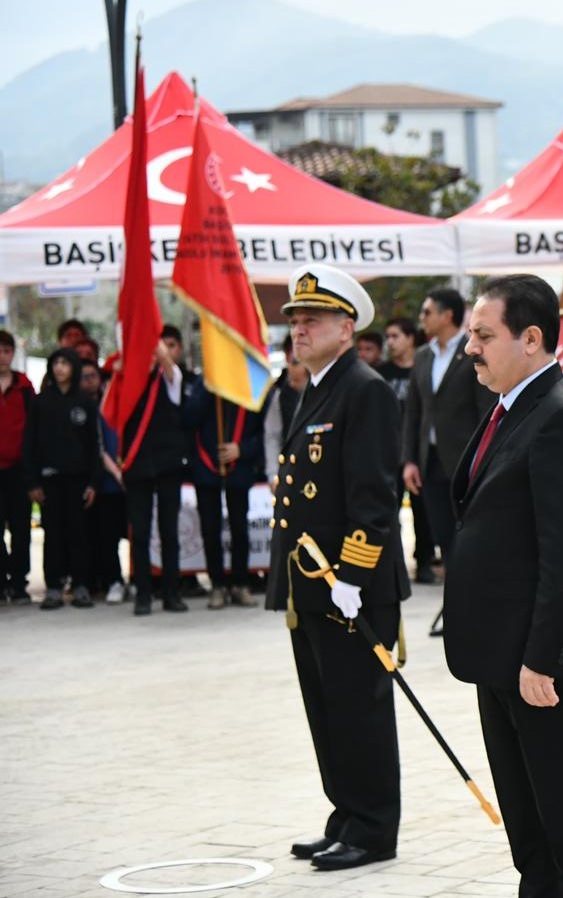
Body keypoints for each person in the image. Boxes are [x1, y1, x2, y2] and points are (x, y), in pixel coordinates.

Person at [444, 274, 563, 896]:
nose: (471, 349)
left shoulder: (562, 416)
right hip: (501, 656)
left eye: (484, 336)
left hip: (541, 664)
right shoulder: (512, 407)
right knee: (527, 825)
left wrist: (540, 658)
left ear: (532, 338)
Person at [268, 264, 407, 871]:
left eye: (312, 319)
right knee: (327, 707)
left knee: (359, 709)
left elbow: (373, 496)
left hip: (349, 585)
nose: (298, 329)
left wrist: (352, 577)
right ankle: (346, 815)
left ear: (346, 328)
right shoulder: (316, 387)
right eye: (295, 320)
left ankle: (374, 829)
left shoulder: (365, 388)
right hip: (313, 586)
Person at [404, 288, 496, 634]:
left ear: (447, 315)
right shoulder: (424, 356)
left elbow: (484, 409)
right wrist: (409, 459)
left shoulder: (472, 351)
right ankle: (455, 604)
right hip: (429, 464)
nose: (422, 319)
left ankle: (474, 605)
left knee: (469, 536)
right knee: (445, 537)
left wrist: (482, 461)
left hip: (464, 462)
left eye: (428, 312)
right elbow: (413, 411)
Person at [25, 349, 101, 609]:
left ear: (74, 368)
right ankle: (54, 587)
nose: (60, 368)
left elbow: (94, 445)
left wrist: (93, 482)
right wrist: (33, 482)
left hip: (78, 480)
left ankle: (81, 585)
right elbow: (30, 445)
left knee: (79, 533)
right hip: (50, 480)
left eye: (65, 363)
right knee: (53, 534)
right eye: (55, 363)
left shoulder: (85, 402)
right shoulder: (40, 402)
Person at [122, 340, 191, 616]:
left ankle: (171, 592)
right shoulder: (128, 382)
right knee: (139, 533)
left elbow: (171, 369)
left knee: (169, 531)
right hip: (137, 466)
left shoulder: (170, 380)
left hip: (167, 465)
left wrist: (156, 346)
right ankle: (143, 594)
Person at [186, 382, 265, 609]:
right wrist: (208, 389)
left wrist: (242, 449)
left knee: (240, 529)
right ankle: (217, 585)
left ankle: (240, 583)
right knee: (210, 531)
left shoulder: (248, 386)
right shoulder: (205, 385)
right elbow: (188, 418)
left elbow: (263, 432)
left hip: (239, 469)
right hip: (206, 468)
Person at [380, 317, 436, 585]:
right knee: (389, 511)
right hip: (388, 450)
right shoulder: (383, 373)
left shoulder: (425, 368)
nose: (390, 342)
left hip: (417, 450)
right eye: (388, 337)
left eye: (395, 336)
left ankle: (424, 562)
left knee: (422, 511)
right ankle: (395, 563)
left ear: (410, 337)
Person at [82, 363, 128, 604]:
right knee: (108, 537)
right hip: (110, 484)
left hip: (135, 480)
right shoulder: (96, 411)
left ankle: (143, 579)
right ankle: (115, 581)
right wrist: (117, 474)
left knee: (139, 535)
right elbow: (99, 449)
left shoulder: (131, 405)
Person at [0, 330, 35, 604]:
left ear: (13, 354)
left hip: (20, 470)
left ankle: (19, 581)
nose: (2, 356)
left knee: (21, 529)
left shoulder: (25, 387)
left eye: (6, 350)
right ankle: (2, 580)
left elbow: (35, 430)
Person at [263, 335, 307, 487]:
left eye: (296, 363)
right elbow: (272, 435)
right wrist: (273, 474)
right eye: (289, 361)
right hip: (290, 475)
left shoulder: (330, 392)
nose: (291, 369)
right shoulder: (281, 395)